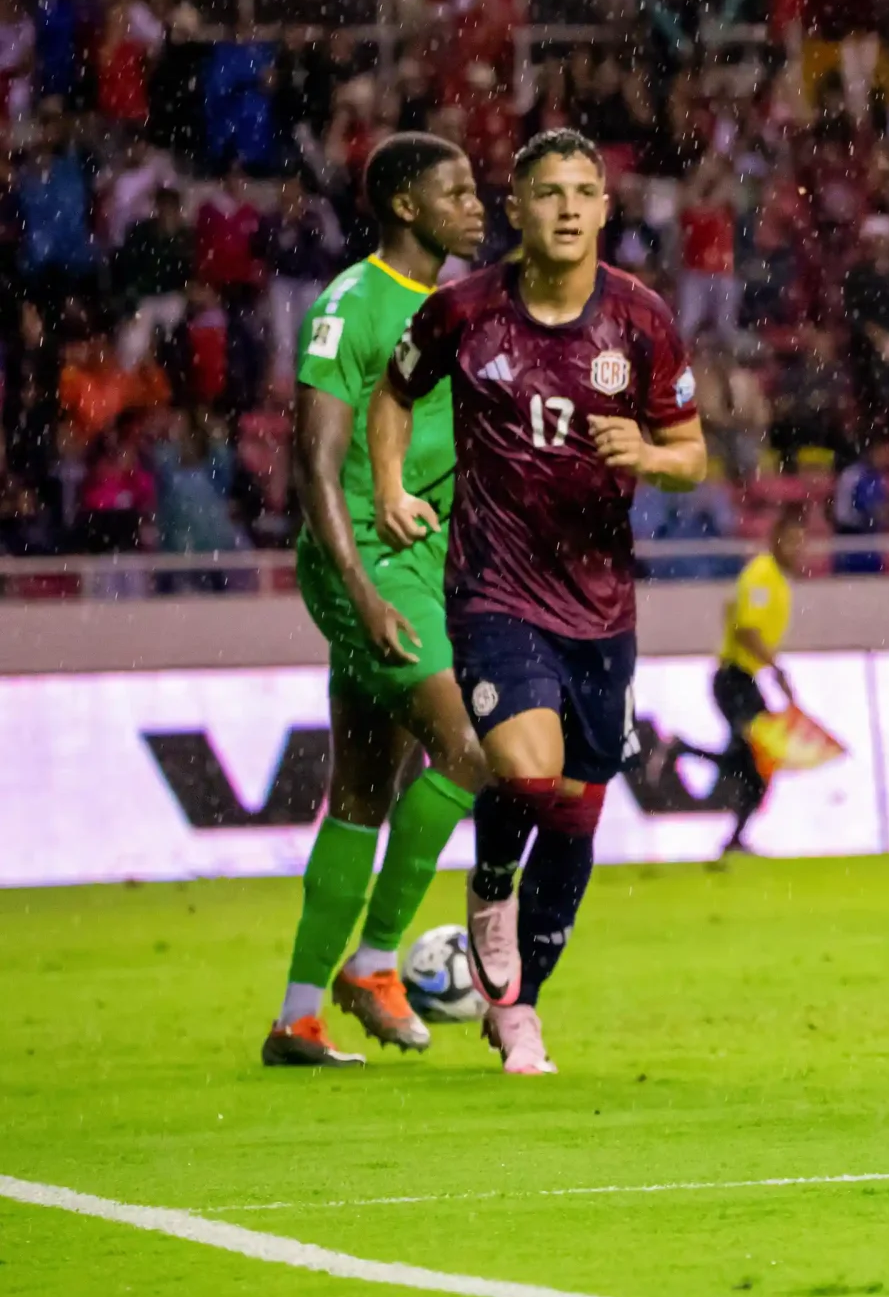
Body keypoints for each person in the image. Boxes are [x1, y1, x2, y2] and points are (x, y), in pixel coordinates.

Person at [371, 129, 706, 1075]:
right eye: (547, 191)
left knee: (577, 808)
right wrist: (393, 488)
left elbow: (692, 451)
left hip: (601, 605)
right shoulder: (464, 312)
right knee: (526, 769)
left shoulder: (639, 321)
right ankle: (489, 886)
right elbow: (393, 395)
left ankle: (520, 1009)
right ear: (514, 210)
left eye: (583, 190)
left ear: (606, 207)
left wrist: (648, 456)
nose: (566, 207)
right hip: (494, 588)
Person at [264, 133, 497, 1067]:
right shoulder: (350, 305)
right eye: (459, 191)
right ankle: (375, 960)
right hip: (366, 559)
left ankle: (296, 1015)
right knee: (472, 750)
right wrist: (358, 587)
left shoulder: (453, 311)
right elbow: (314, 462)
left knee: (360, 791)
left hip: (422, 557)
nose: (477, 205)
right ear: (406, 206)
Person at [669, 513, 805, 855]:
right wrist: (777, 670)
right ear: (775, 539)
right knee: (755, 760)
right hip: (734, 680)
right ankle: (682, 751)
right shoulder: (762, 576)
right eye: (791, 541)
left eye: (801, 542)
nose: (798, 549)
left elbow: (732, 611)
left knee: (752, 761)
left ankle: (734, 837)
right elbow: (747, 630)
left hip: (743, 679)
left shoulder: (773, 578)